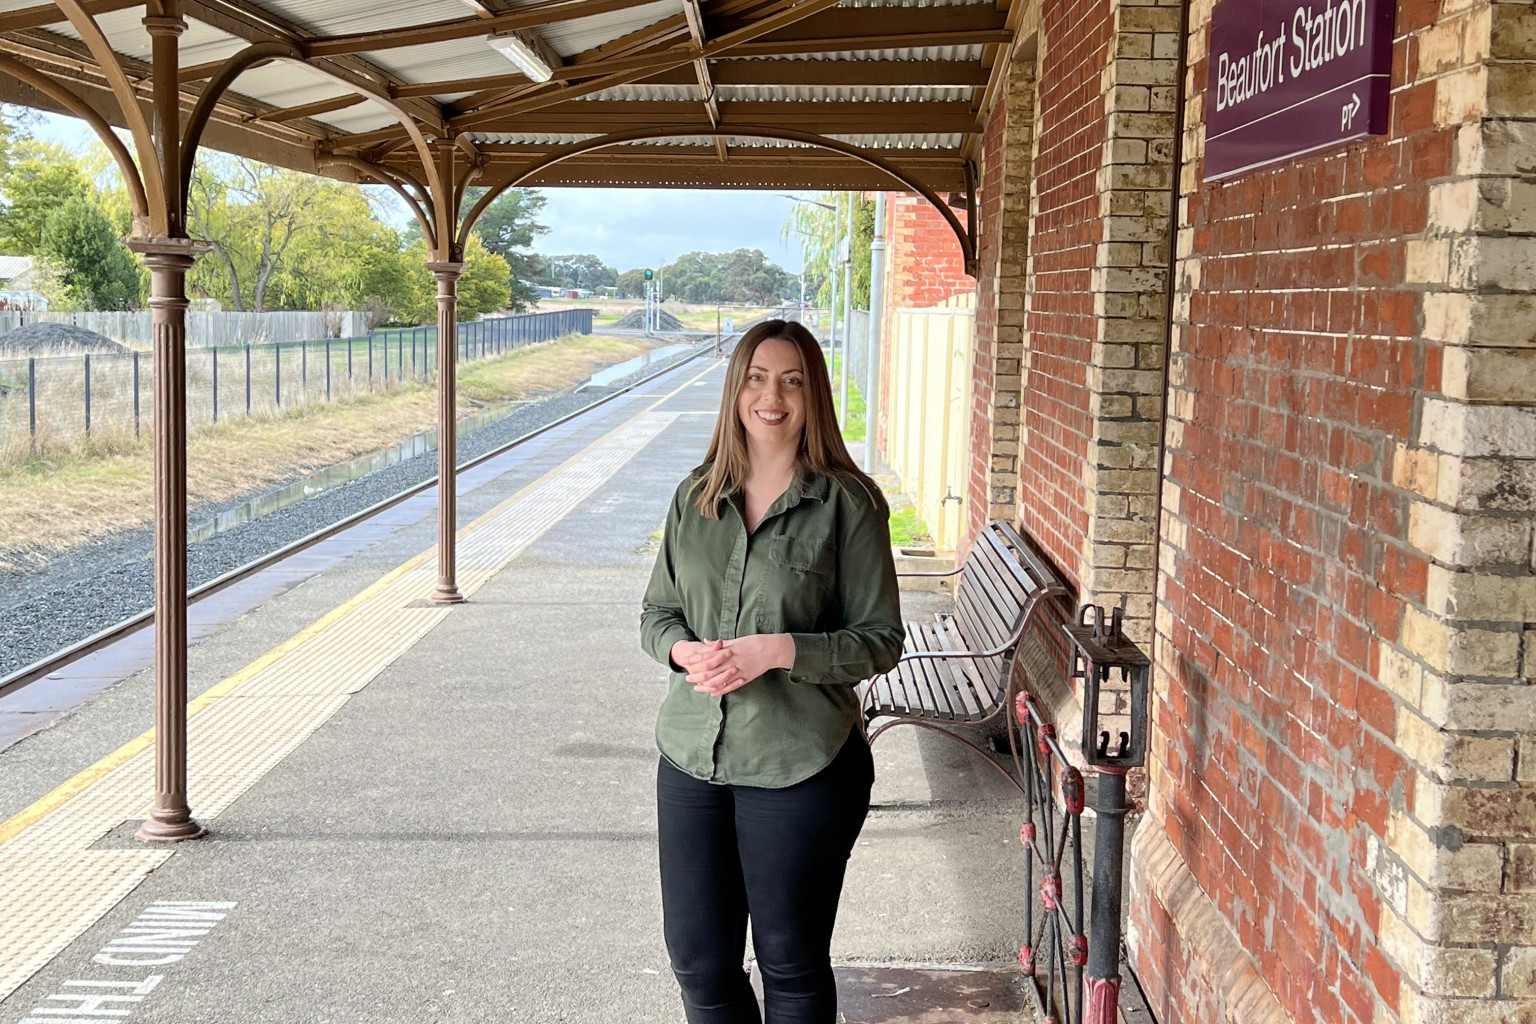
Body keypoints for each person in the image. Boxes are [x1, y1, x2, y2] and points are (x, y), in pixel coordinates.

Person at [640, 320, 904, 1024]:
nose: (772, 396)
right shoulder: (695, 497)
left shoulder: (849, 504)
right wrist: (682, 651)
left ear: (812, 393)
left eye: (791, 380)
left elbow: (880, 641)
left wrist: (781, 649)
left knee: (790, 963)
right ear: (736, 391)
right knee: (700, 963)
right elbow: (657, 615)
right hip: (693, 758)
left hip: (800, 763)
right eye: (757, 378)